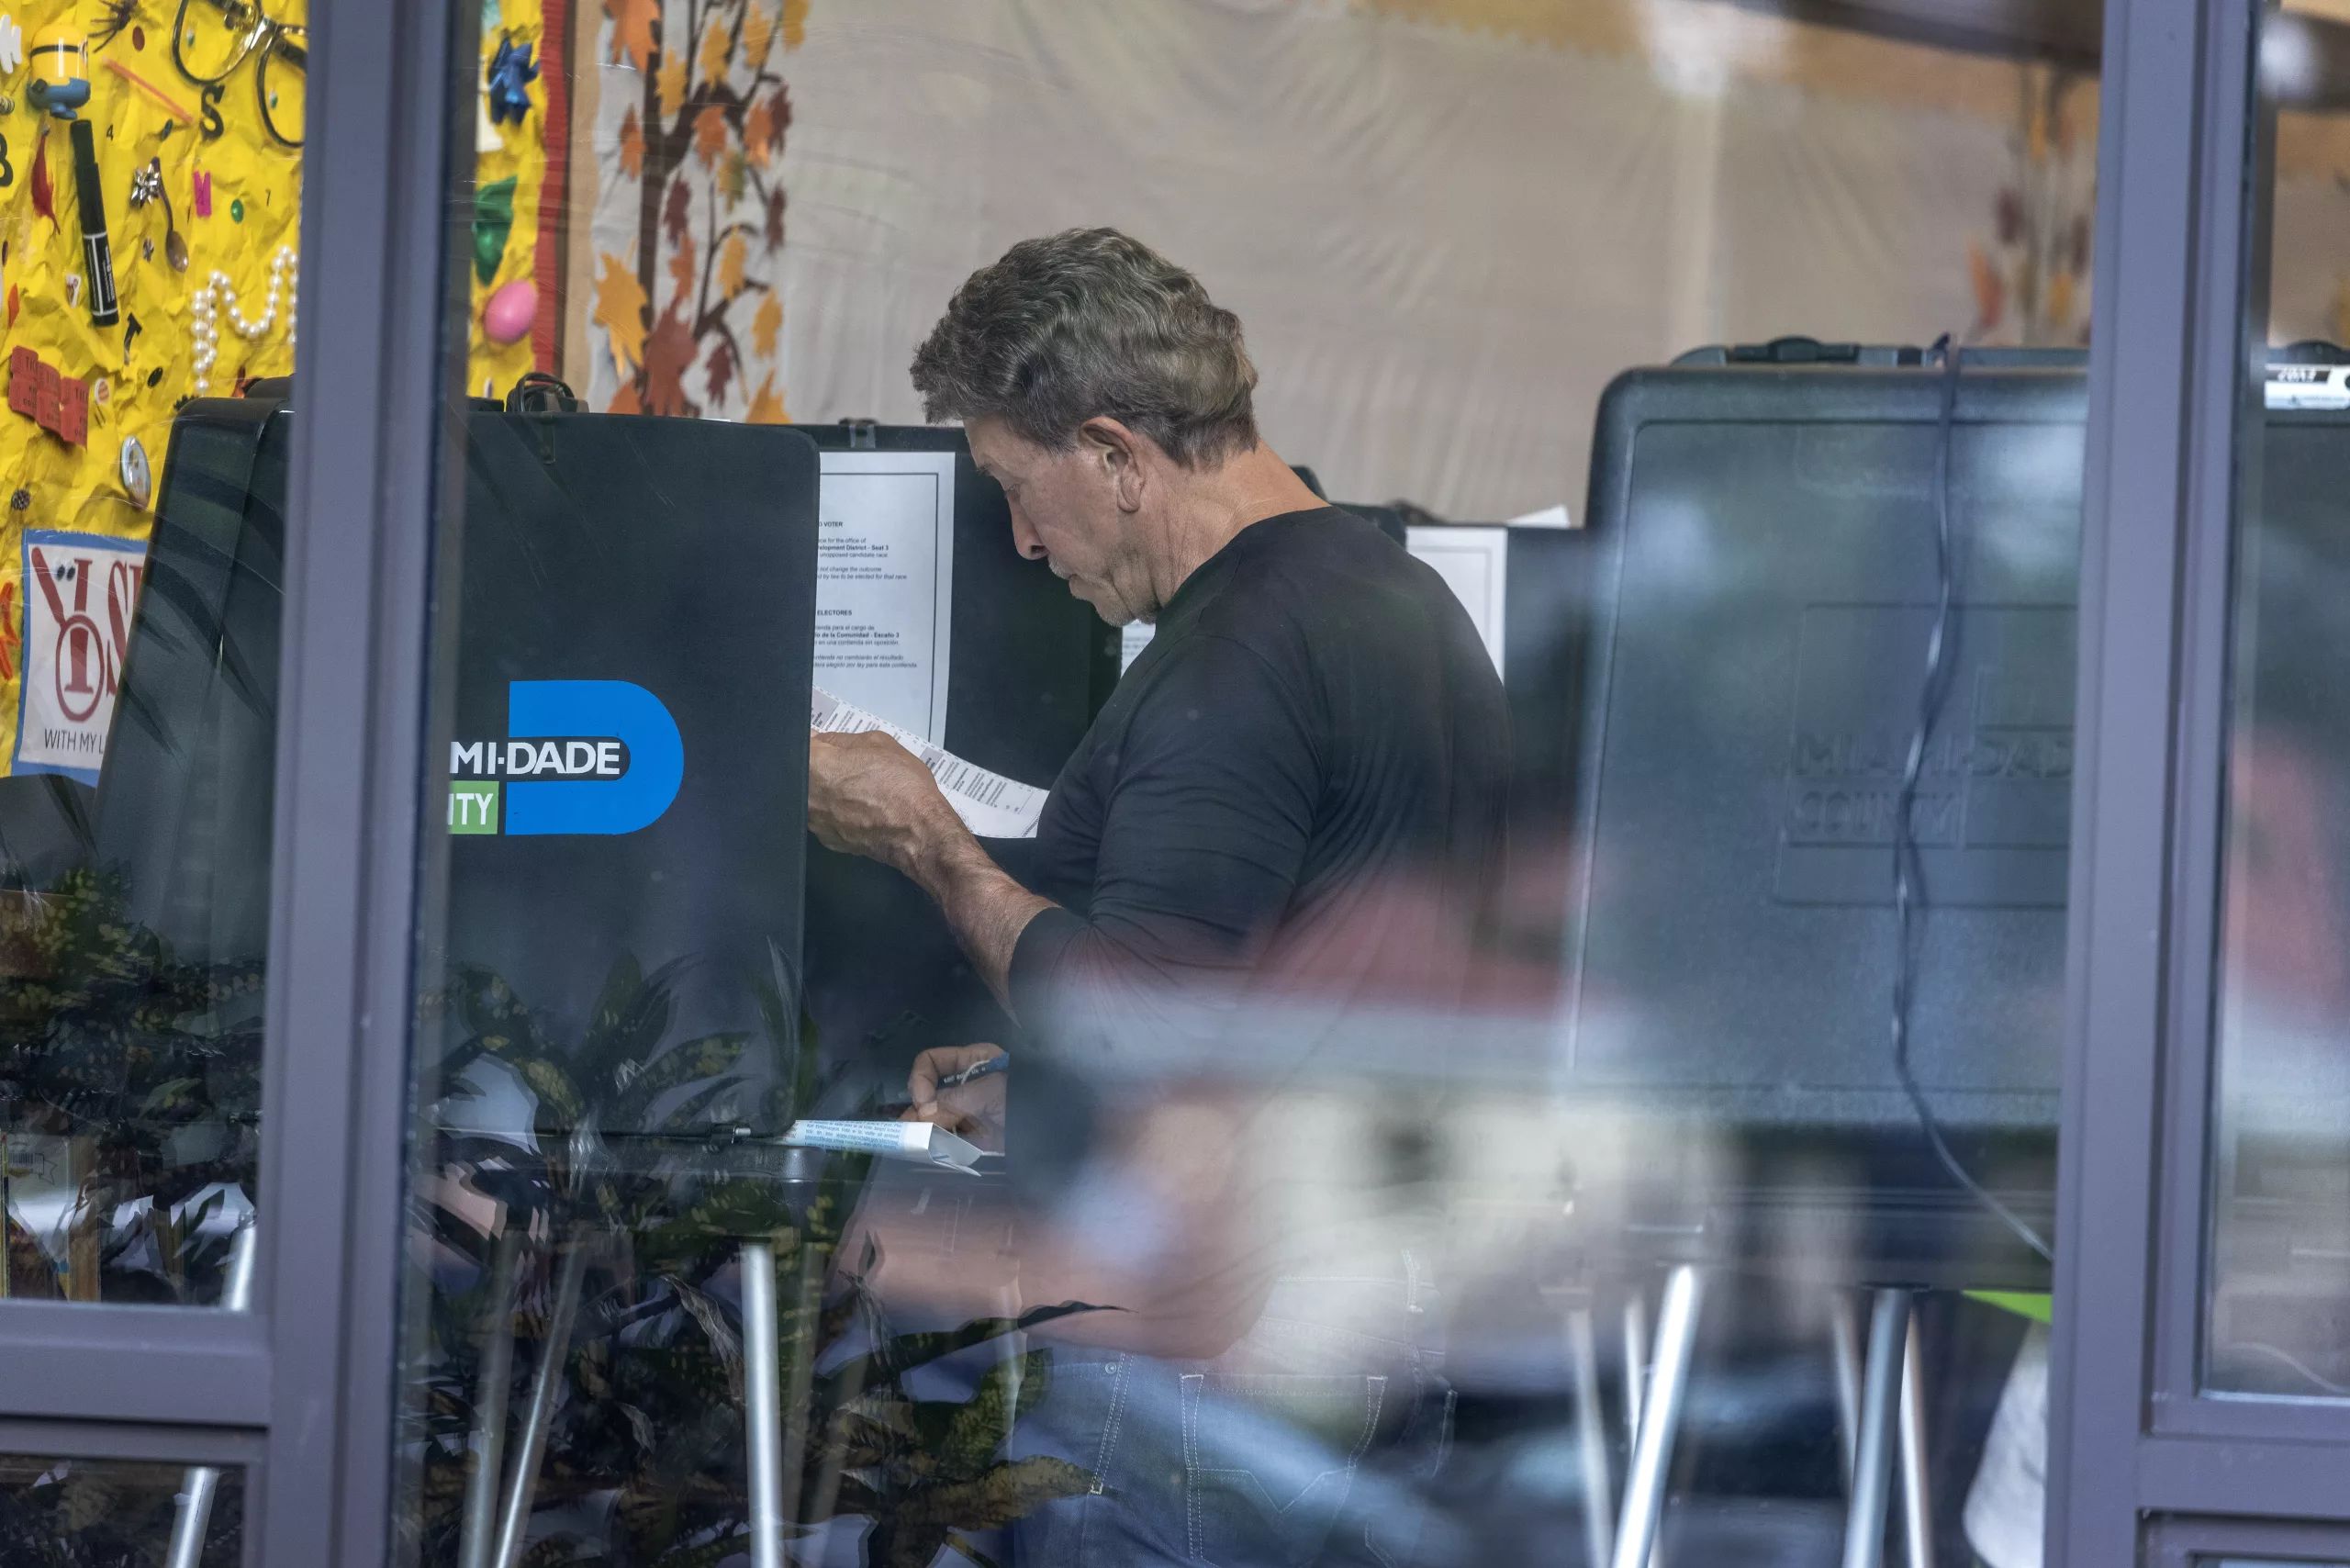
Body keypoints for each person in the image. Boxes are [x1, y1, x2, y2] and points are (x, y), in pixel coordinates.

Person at [806, 227, 1510, 1566]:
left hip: (1220, 1351)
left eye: (1018, 489)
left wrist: (928, 841)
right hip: (1379, 1319)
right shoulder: (1404, 603)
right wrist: (1037, 1080)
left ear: (1117, 456)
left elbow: (1144, 1019)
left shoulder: (1237, 654)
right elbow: (1295, 985)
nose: (1023, 542)